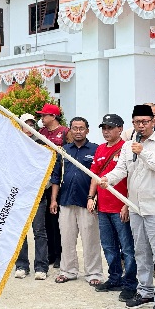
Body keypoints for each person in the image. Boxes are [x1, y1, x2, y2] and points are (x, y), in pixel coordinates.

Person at [100, 104, 155, 309]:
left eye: (145, 122)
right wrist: (109, 179)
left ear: (153, 121)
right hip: (135, 207)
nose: (141, 126)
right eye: (137, 122)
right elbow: (121, 170)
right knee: (140, 251)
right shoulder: (127, 146)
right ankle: (145, 291)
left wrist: (144, 154)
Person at [88, 114, 138, 302]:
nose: (106, 131)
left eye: (110, 128)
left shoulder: (126, 148)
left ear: (120, 129)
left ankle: (130, 283)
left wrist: (127, 203)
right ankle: (115, 278)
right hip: (104, 207)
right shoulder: (100, 148)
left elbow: (132, 177)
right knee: (109, 247)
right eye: (104, 128)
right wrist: (91, 197)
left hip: (120, 207)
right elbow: (94, 174)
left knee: (127, 247)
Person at [50, 117, 102, 285]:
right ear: (70, 130)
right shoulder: (63, 150)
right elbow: (56, 177)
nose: (78, 131)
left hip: (87, 203)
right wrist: (53, 200)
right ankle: (68, 271)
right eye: (75, 128)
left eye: (81, 128)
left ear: (87, 130)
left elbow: (99, 177)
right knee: (66, 239)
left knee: (91, 240)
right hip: (65, 201)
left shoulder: (96, 149)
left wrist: (93, 198)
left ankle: (94, 273)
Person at [14, 113, 49, 280]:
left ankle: (41, 267)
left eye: (31, 124)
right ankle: (21, 266)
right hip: (20, 197)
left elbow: (48, 171)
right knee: (20, 232)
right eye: (25, 124)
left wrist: (43, 186)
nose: (28, 127)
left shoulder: (42, 145)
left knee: (39, 232)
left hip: (38, 197)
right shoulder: (15, 145)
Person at [37, 103, 67, 268]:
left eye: (44, 115)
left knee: (57, 220)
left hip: (59, 180)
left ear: (53, 116)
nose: (42, 118)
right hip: (44, 181)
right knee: (46, 219)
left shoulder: (64, 132)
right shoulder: (41, 132)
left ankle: (59, 255)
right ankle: (49, 254)